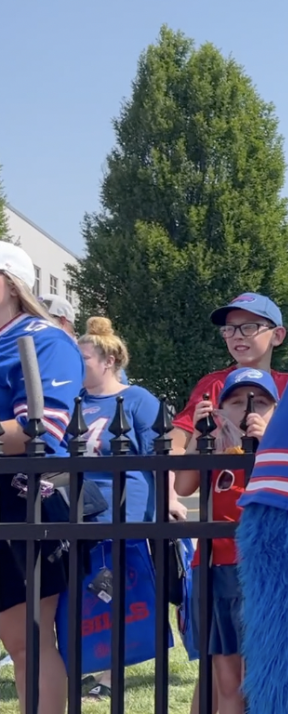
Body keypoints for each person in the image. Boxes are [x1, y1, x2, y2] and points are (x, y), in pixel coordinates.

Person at [0, 242, 84, 714]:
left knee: (26, 643)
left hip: (20, 502)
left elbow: (42, 429)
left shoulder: (46, 339)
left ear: (11, 283)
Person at [175, 367, 279, 714]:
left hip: (264, 573)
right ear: (220, 410)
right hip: (216, 570)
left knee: (264, 679)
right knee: (228, 682)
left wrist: (267, 442)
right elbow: (183, 486)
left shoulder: (280, 451)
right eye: (235, 402)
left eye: (261, 402)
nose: (248, 409)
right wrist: (197, 437)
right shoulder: (216, 451)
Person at [75, 316, 167, 701]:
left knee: (115, 594)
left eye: (84, 358)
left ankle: (110, 675)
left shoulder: (139, 400)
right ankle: (88, 665)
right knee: (86, 593)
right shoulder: (74, 401)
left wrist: (170, 502)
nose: (78, 365)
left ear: (109, 360)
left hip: (124, 513)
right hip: (79, 513)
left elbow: (158, 457)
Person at [167, 293, 288, 456]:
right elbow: (172, 447)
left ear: (277, 335)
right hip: (225, 479)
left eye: (249, 327)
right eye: (229, 329)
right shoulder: (214, 384)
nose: (237, 336)